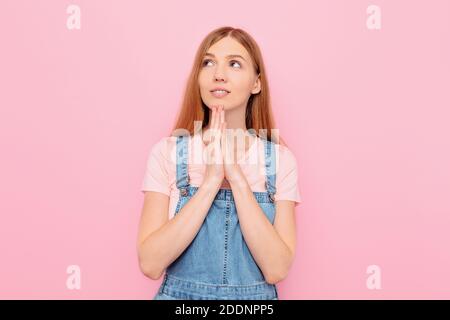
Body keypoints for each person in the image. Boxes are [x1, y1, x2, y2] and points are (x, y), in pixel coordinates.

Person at [137, 26, 302, 300]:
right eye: (208, 62)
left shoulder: (281, 161)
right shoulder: (166, 153)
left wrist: (235, 176)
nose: (219, 74)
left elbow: (276, 268)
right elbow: (151, 264)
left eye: (234, 64)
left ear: (256, 83)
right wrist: (212, 181)